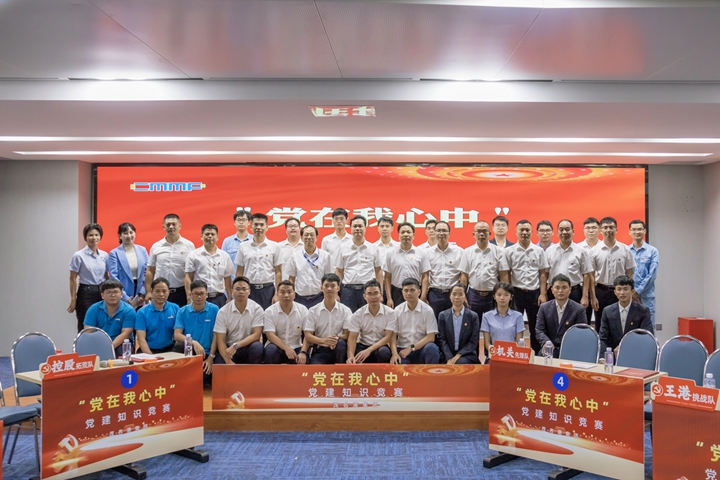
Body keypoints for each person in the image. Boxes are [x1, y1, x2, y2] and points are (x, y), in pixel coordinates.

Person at [500, 220, 550, 353]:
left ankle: (537, 354)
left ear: (532, 232)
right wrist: (508, 294)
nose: (524, 233)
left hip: (534, 293)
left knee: (536, 326)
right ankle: (512, 353)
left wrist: (543, 293)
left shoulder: (539, 251)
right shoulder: (509, 251)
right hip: (516, 293)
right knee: (513, 325)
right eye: (521, 230)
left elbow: (543, 274)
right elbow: (506, 274)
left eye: (527, 230)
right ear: (516, 232)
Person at [591, 216, 636, 333]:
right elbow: (591, 276)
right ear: (600, 230)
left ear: (616, 229)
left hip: (621, 292)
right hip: (601, 291)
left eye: (611, 227)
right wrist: (593, 296)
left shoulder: (625, 249)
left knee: (621, 322)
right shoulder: (594, 251)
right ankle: (602, 344)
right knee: (601, 322)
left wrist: (630, 292)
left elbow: (630, 273)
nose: (608, 230)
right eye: (605, 227)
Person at [459, 220, 508, 323]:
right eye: (479, 231)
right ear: (474, 234)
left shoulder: (499, 251)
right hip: (473, 295)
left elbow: (503, 276)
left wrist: (503, 295)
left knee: (493, 325)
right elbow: (464, 276)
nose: (481, 234)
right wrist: (462, 294)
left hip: (492, 296)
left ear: (490, 234)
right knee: (473, 325)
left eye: (484, 231)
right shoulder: (467, 252)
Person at [145, 213, 196, 307]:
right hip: (161, 292)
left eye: (174, 224)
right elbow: (150, 270)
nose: (171, 227)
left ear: (180, 226)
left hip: (182, 292)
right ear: (163, 227)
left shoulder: (189, 246)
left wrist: (190, 293)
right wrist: (148, 291)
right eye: (168, 225)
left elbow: (192, 272)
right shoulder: (156, 246)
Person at [334, 215, 382, 312]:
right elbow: (339, 271)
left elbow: (378, 271)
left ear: (365, 228)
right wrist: (336, 292)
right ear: (350, 228)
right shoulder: (343, 247)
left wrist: (380, 292)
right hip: (348, 291)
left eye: (360, 226)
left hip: (368, 290)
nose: (357, 229)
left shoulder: (373, 248)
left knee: (368, 317)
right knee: (348, 318)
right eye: (355, 226)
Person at [234, 213, 282, 309]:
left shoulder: (275, 246)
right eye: (255, 224)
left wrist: (277, 293)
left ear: (266, 227)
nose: (258, 227)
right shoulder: (243, 246)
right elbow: (239, 271)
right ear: (251, 227)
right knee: (248, 315)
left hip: (268, 290)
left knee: (267, 316)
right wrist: (240, 290)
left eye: (261, 225)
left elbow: (278, 272)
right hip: (249, 290)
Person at [174, 280, 219, 380]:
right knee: (179, 346)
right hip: (190, 350)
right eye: (196, 294)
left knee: (205, 378)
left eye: (202, 294)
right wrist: (193, 342)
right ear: (190, 295)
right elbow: (177, 335)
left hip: (207, 352)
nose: (199, 297)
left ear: (206, 295)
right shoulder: (182, 311)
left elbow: (217, 335)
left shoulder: (214, 309)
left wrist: (210, 357)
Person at [214, 276, 264, 365]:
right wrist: (228, 361)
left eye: (244, 289)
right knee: (219, 365)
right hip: (229, 349)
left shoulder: (257, 309)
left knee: (257, 347)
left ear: (249, 291)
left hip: (248, 347)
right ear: (232, 291)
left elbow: (256, 335)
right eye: (237, 289)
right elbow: (221, 340)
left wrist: (236, 345)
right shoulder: (223, 311)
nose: (241, 292)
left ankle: (253, 373)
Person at [68, 223, 109, 332]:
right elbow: (72, 279)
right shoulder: (78, 255)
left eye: (96, 235)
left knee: (102, 322)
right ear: (85, 237)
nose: (94, 238)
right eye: (90, 235)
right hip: (86, 292)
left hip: (102, 291)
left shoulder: (104, 255)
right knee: (86, 323)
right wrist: (73, 299)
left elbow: (106, 276)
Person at [535, 274, 587, 357]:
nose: (560, 291)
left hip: (570, 348)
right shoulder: (544, 308)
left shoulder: (579, 309)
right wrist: (546, 342)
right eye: (557, 287)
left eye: (564, 287)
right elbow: (539, 330)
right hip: (549, 347)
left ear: (570, 289)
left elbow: (581, 332)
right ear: (552, 290)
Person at [390, 278, 440, 364]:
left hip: (421, 349)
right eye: (406, 290)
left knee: (432, 349)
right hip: (402, 349)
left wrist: (411, 348)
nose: (409, 293)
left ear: (419, 292)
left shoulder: (427, 310)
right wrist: (394, 354)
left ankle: (431, 373)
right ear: (402, 292)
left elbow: (431, 337)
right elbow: (393, 336)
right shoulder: (397, 311)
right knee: (400, 366)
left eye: (412, 290)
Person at [599, 275, 653, 354]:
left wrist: (624, 347)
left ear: (632, 291)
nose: (622, 293)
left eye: (625, 289)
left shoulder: (643, 311)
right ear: (615, 292)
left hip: (635, 353)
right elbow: (603, 338)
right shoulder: (607, 311)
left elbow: (647, 336)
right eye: (619, 289)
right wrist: (604, 357)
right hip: (612, 355)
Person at [304, 273, 352, 364]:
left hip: (339, 349)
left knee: (340, 343)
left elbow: (346, 335)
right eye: (326, 286)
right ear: (321, 288)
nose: (329, 289)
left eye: (333, 286)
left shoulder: (346, 310)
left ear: (338, 288)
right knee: (316, 370)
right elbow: (308, 336)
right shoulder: (313, 310)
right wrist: (324, 341)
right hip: (320, 349)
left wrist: (334, 339)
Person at [544, 219, 593, 306]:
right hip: (554, 292)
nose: (564, 232)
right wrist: (543, 293)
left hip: (574, 292)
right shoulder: (549, 251)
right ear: (557, 232)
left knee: (574, 315)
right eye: (561, 229)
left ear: (573, 232)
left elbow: (586, 275)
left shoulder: (581, 251)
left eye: (567, 229)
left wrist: (585, 296)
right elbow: (545, 273)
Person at [346, 280, 396, 363]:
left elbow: (388, 337)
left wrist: (369, 350)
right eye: (369, 294)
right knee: (356, 357)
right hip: (363, 345)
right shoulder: (357, 314)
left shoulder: (390, 313)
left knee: (384, 352)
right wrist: (350, 356)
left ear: (381, 294)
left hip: (380, 345)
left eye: (376, 293)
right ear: (364, 296)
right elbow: (352, 338)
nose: (373, 297)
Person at [185, 224, 234, 308]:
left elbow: (227, 278)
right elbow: (188, 277)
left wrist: (229, 297)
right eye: (207, 234)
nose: (210, 236)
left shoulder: (224, 256)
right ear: (201, 237)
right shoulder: (193, 255)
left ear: (217, 237)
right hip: (200, 297)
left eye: (212, 234)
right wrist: (189, 296)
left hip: (219, 298)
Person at [83, 279, 136, 357]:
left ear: (121, 294)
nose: (112, 295)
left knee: (123, 351)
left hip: (121, 343)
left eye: (115, 292)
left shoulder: (129, 310)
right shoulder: (93, 309)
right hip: (99, 342)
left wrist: (108, 348)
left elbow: (126, 333)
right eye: (109, 292)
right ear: (102, 295)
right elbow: (88, 331)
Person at [383, 222, 430, 308]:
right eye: (403, 232)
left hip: (415, 291)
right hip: (397, 292)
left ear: (413, 235)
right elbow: (387, 277)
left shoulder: (421, 253)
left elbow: (425, 277)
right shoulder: (391, 253)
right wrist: (389, 298)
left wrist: (423, 296)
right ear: (398, 235)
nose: (405, 234)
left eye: (408, 232)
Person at [286, 225, 334, 308]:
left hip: (320, 298)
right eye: (306, 235)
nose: (309, 237)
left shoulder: (326, 256)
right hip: (300, 299)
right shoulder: (295, 257)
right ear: (301, 238)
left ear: (317, 237)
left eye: (312, 235)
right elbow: (291, 279)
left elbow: (329, 278)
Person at [423, 221, 463, 319]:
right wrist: (423, 296)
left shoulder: (459, 252)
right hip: (434, 294)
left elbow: (463, 274)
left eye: (444, 231)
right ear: (435, 232)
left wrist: (462, 293)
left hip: (453, 294)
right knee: (434, 322)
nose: (441, 233)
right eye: (439, 231)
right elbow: (425, 275)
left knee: (453, 322)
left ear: (449, 233)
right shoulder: (427, 253)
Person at [264, 281, 310, 364]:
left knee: (304, 360)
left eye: (289, 292)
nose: (286, 295)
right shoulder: (269, 311)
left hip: (296, 347)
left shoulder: (303, 310)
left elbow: (308, 334)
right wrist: (286, 348)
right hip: (276, 346)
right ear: (277, 294)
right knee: (270, 351)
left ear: (294, 294)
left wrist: (303, 352)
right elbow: (270, 335)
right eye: (282, 292)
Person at [107, 222, 148, 309]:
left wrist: (142, 293)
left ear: (135, 234)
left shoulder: (142, 250)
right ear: (120, 236)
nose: (129, 236)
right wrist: (124, 296)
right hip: (123, 292)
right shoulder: (114, 253)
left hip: (140, 293)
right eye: (125, 233)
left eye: (131, 232)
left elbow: (147, 272)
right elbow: (113, 276)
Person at [437, 284, 480, 364]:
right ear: (450, 296)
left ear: (465, 296)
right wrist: (449, 358)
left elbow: (473, 341)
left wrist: (457, 356)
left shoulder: (473, 316)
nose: (457, 297)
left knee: (459, 363)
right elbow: (441, 340)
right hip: (447, 353)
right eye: (454, 294)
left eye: (460, 294)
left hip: (466, 354)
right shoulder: (442, 315)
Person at [481, 283, 525, 362]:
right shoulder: (487, 316)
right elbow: (487, 343)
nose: (502, 298)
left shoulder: (518, 316)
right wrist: (493, 352)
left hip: (512, 355)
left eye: (506, 295)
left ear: (511, 297)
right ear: (494, 296)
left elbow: (519, 342)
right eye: (499, 295)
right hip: (494, 355)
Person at [135, 277, 180, 354]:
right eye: (157, 291)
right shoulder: (142, 312)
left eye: (164, 291)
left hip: (169, 349)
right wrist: (151, 358)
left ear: (169, 292)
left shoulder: (175, 308)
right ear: (151, 291)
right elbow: (141, 339)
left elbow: (179, 333)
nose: (161, 294)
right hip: (148, 350)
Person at [628, 220, 659, 325]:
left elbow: (652, 275)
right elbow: (624, 273)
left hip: (646, 296)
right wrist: (631, 292)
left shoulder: (652, 251)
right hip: (629, 296)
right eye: (634, 229)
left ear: (644, 231)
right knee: (629, 326)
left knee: (648, 326)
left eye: (639, 229)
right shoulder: (626, 250)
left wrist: (637, 291)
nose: (637, 232)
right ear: (629, 232)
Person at [578, 217, 600, 323]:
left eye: (594, 228)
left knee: (601, 320)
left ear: (599, 230)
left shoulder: (603, 247)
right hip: (582, 289)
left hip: (600, 289)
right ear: (583, 230)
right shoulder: (578, 248)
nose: (591, 230)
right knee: (583, 320)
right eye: (588, 228)